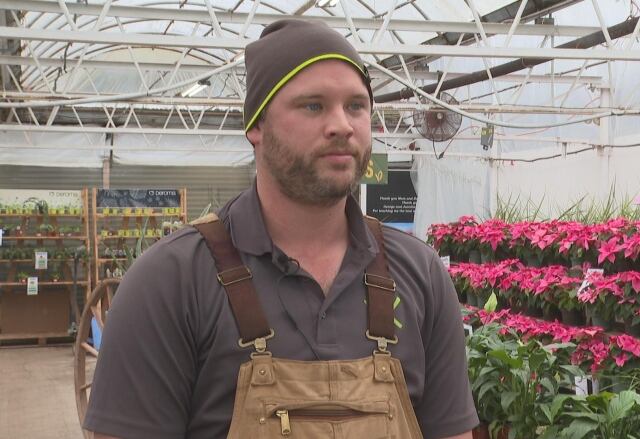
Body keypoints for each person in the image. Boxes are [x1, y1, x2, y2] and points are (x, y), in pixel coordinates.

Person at [84, 18, 478, 439]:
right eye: (313, 105)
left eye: (356, 106)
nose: (342, 125)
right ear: (255, 126)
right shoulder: (170, 281)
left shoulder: (419, 271)